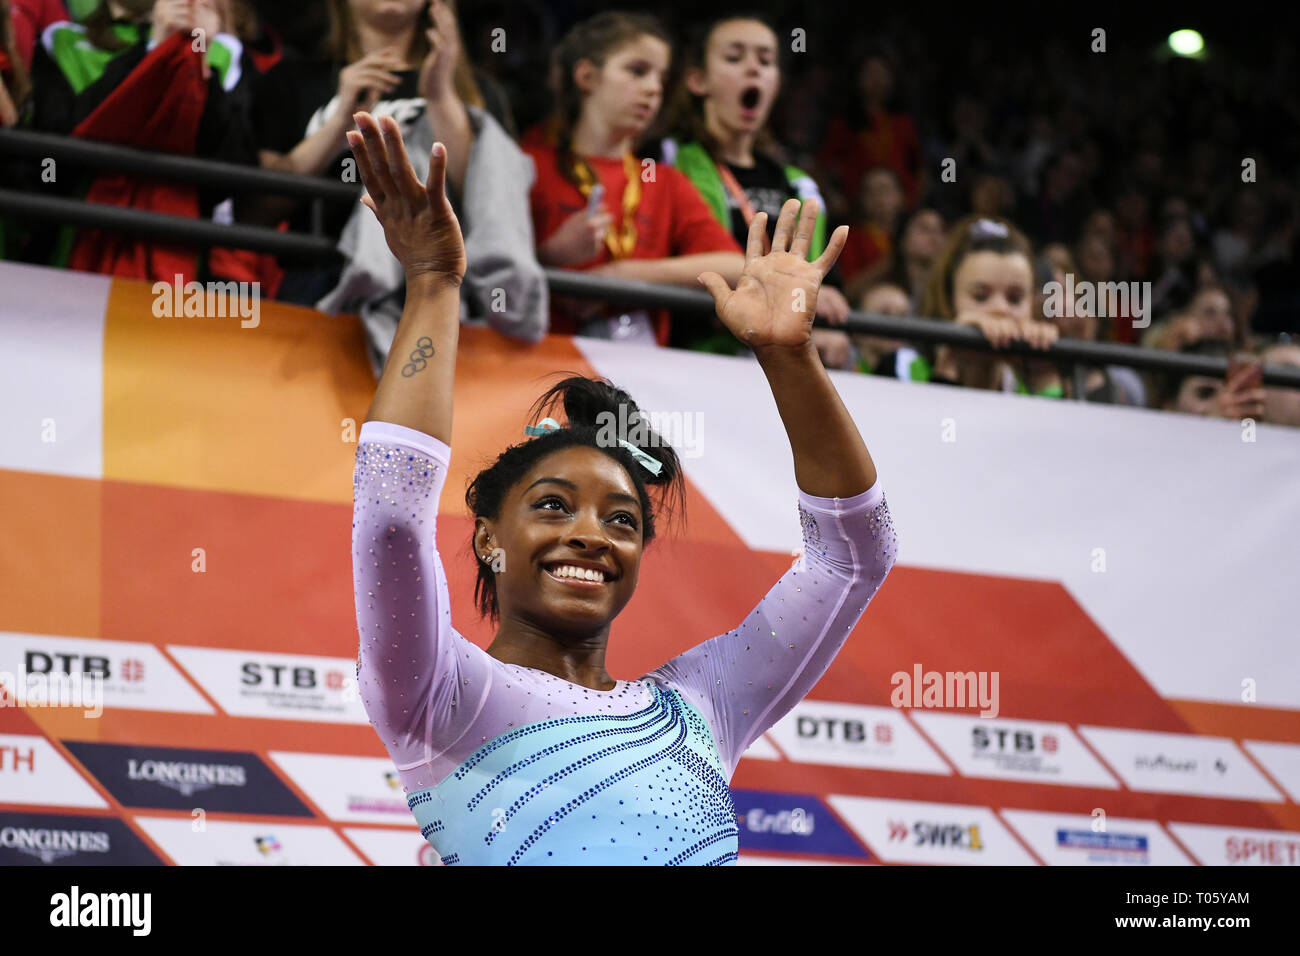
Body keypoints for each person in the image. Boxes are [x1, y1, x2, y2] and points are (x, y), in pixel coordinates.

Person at [346, 110, 897, 864]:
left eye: (622, 521)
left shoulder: (702, 707)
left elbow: (852, 558)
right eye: (551, 505)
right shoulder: (440, 696)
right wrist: (435, 285)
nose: (591, 535)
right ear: (486, 536)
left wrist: (789, 357)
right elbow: (390, 521)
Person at [521, 11, 745, 347]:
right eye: (637, 71)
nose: (654, 89)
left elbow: (736, 266)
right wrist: (549, 256)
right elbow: (481, 266)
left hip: (639, 377)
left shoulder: (663, 180)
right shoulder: (529, 164)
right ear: (587, 76)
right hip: (534, 362)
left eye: (661, 78)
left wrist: (621, 276)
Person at [662, 14, 851, 362]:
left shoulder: (800, 184)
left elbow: (829, 287)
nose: (753, 69)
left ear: (775, 84)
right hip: (693, 359)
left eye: (765, 61)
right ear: (698, 80)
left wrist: (830, 311)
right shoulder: (665, 160)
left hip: (783, 368)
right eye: (734, 58)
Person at [920, 215, 1059, 392]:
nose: (1000, 309)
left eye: (1015, 299)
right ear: (949, 299)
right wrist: (949, 364)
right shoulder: (905, 367)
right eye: (981, 297)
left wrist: (1045, 377)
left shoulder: (1025, 387)